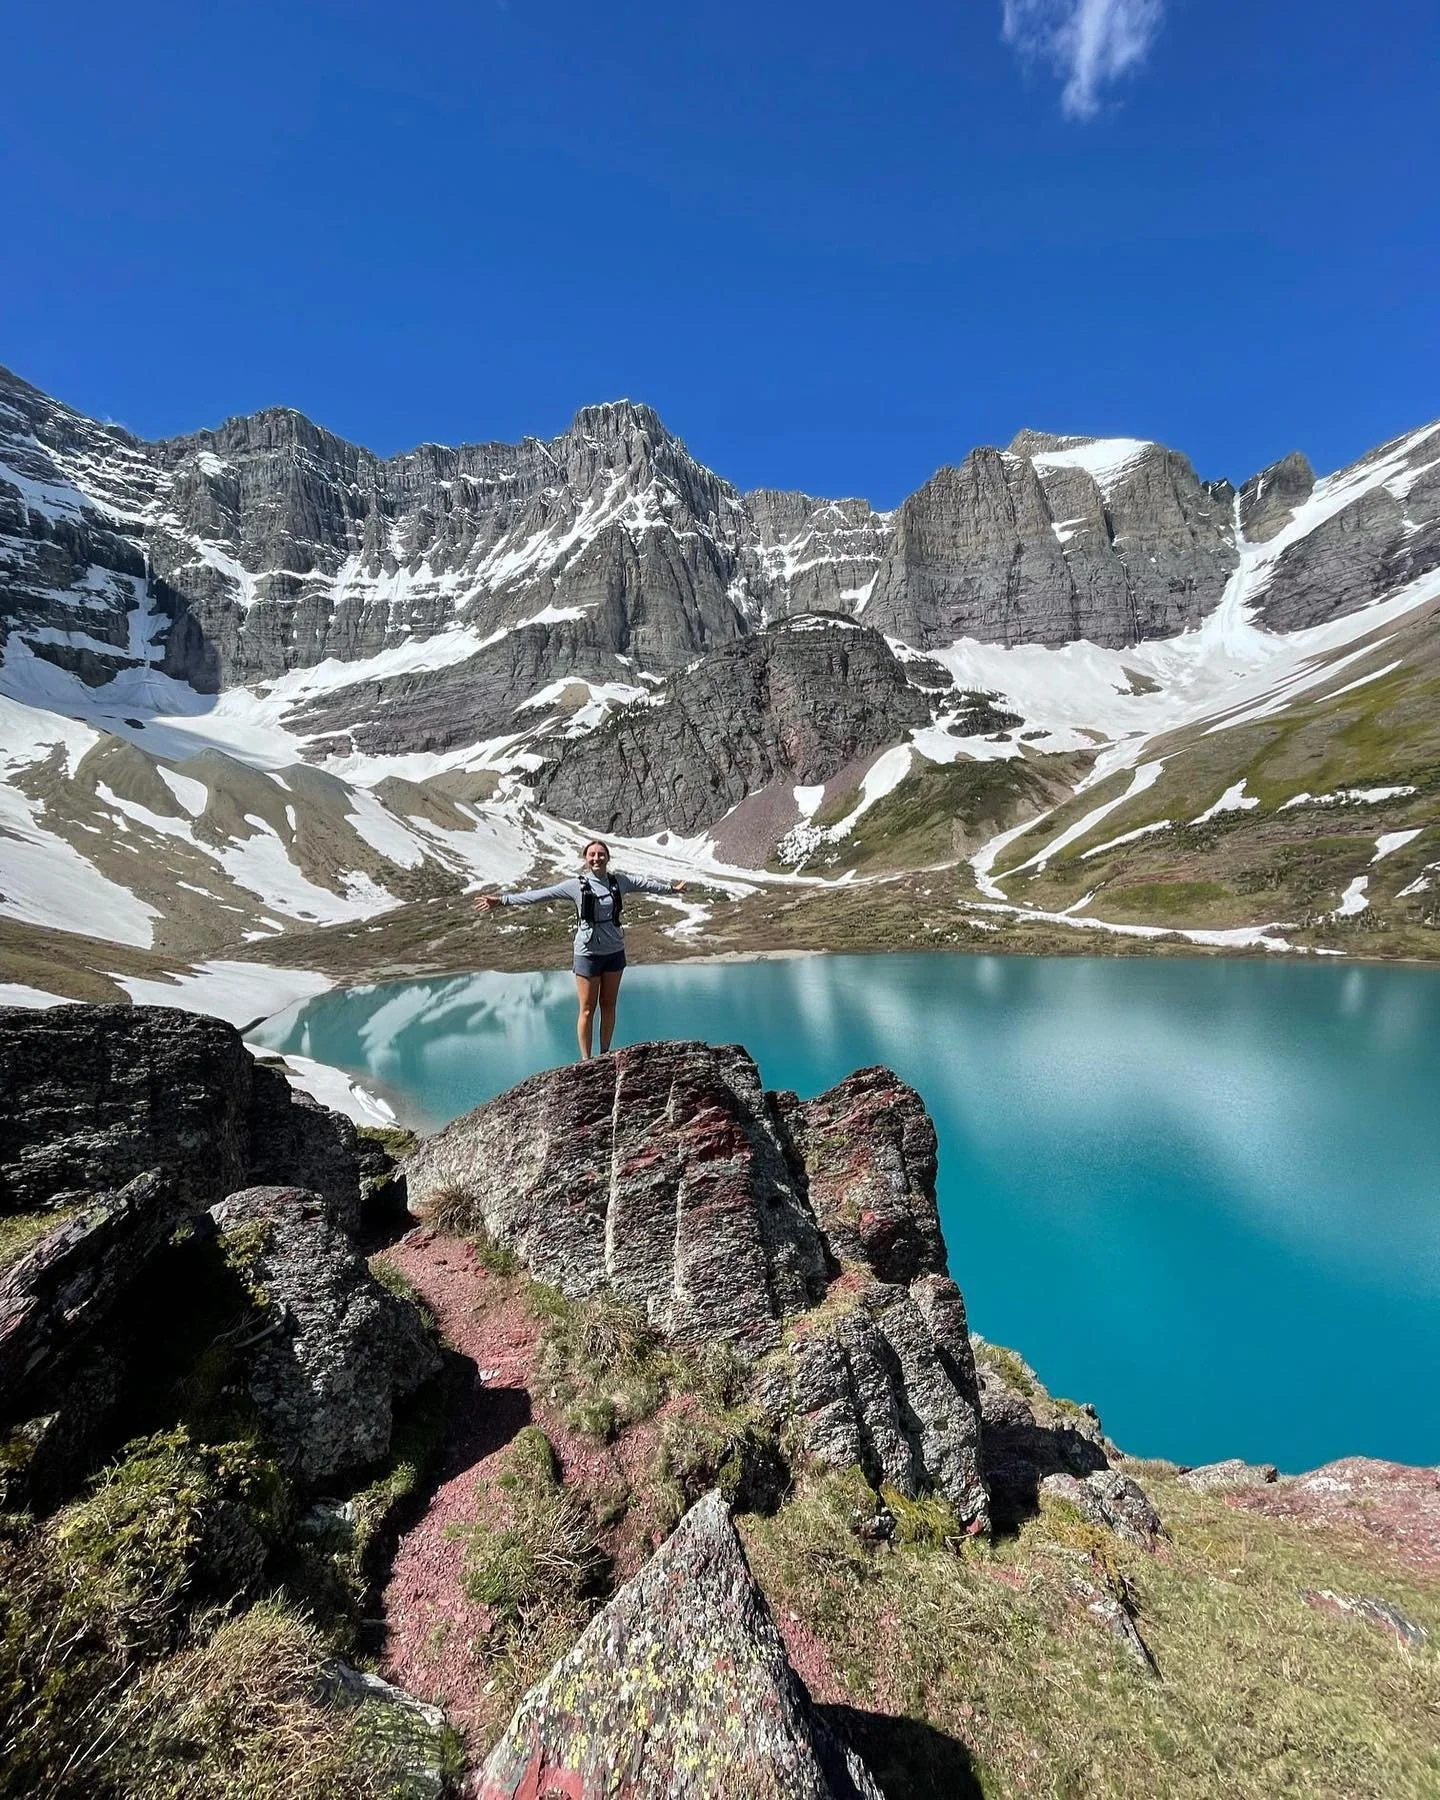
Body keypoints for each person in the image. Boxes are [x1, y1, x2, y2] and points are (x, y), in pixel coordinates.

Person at [475, 840, 686, 1060]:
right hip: (587, 954)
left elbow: (646, 884)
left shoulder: (620, 882)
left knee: (609, 1006)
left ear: (608, 857)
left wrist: (672, 889)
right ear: (585, 858)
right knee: (587, 1009)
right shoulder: (575, 885)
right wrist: (502, 901)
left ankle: (604, 1054)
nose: (596, 858)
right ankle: (586, 1060)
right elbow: (540, 895)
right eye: (592, 854)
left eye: (601, 854)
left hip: (614, 952)